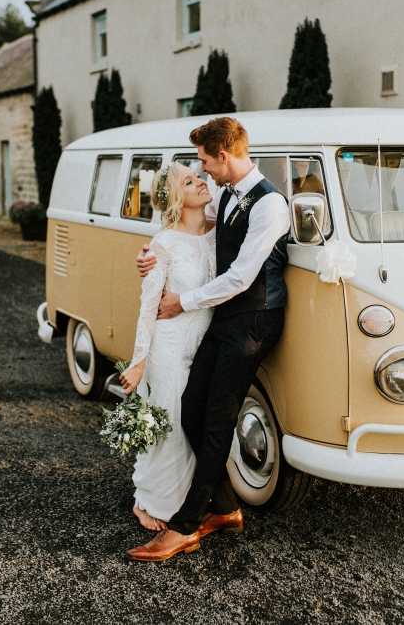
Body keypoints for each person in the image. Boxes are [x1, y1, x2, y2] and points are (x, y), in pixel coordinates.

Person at [127, 117, 290, 562]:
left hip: (254, 320)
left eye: (204, 162)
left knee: (216, 419)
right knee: (192, 412)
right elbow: (185, 226)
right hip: (223, 317)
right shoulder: (226, 194)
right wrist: (150, 253)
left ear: (224, 155)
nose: (203, 172)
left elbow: (241, 275)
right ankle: (226, 508)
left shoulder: (270, 205)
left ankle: (184, 526)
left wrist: (183, 301)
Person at [118, 162, 216, 532]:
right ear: (177, 198)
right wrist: (139, 362)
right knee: (170, 429)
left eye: (198, 176)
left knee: (191, 427)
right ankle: (148, 502)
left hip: (200, 347)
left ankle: (186, 501)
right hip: (169, 348)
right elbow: (148, 306)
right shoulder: (163, 244)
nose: (201, 182)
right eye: (190, 182)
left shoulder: (216, 233)